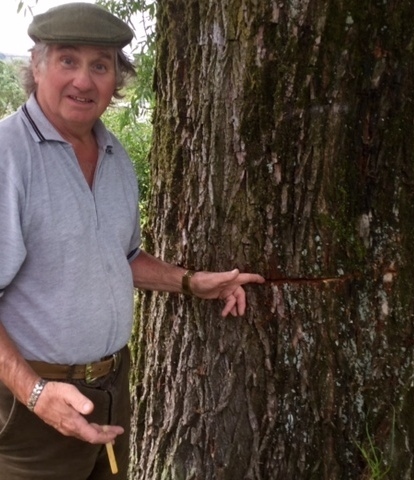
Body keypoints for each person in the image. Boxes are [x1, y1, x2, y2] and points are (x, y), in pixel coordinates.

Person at [0, 3, 265, 479]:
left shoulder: (112, 153)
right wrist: (37, 395)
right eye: (68, 60)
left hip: (111, 395)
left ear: (116, 79)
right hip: (30, 410)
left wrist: (191, 282)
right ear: (37, 66)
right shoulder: (7, 156)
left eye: (100, 65)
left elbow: (120, 256)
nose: (84, 80)